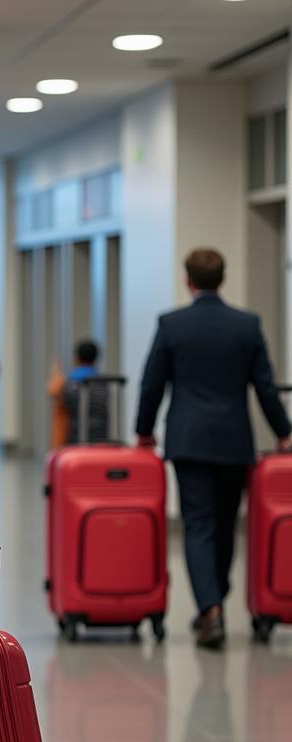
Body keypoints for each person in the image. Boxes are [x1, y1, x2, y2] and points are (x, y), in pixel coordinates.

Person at [136, 247, 292, 650]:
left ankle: (211, 608)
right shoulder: (246, 325)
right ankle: (215, 599)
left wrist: (144, 430)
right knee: (224, 524)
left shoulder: (172, 324)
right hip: (233, 440)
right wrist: (283, 431)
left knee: (199, 523)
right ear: (222, 280)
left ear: (188, 282)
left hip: (188, 441)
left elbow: (153, 382)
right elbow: (265, 385)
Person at [61, 339, 109, 444]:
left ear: (77, 358)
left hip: (76, 439)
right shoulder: (105, 385)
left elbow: (63, 410)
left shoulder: (70, 384)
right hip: (102, 440)